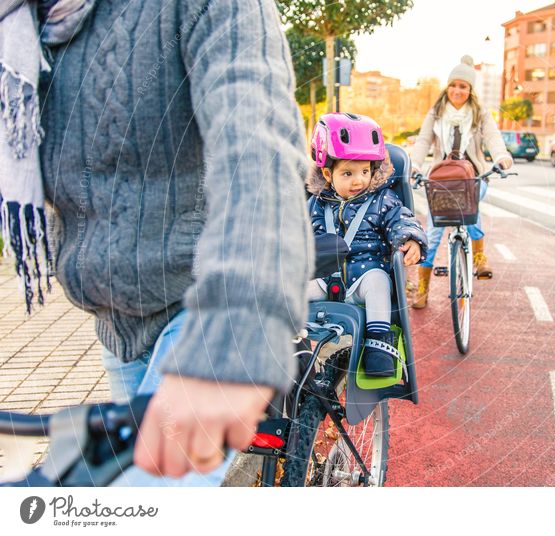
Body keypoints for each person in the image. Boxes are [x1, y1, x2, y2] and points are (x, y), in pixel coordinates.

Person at [0, 0, 310, 484]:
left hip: (201, 306)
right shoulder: (19, 27)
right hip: (115, 326)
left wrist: (238, 325)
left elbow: (258, 142)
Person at [307, 113, 427, 376]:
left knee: (378, 281)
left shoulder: (382, 200)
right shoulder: (316, 204)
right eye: (347, 173)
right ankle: (288, 343)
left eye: (364, 171)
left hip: (362, 280)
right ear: (328, 173)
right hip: (325, 279)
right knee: (289, 289)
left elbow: (402, 220)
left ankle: (378, 344)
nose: (358, 180)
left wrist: (410, 239)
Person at [409, 55, 512, 309]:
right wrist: (414, 165)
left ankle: (478, 257)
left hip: (473, 176)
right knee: (432, 234)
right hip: (441, 180)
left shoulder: (479, 113)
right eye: (453, 85)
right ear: (448, 87)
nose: (457, 90)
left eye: (463, 86)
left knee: (471, 202)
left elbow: (493, 137)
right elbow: (422, 141)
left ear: (470, 90)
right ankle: (423, 288)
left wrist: (501, 157)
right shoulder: (436, 112)